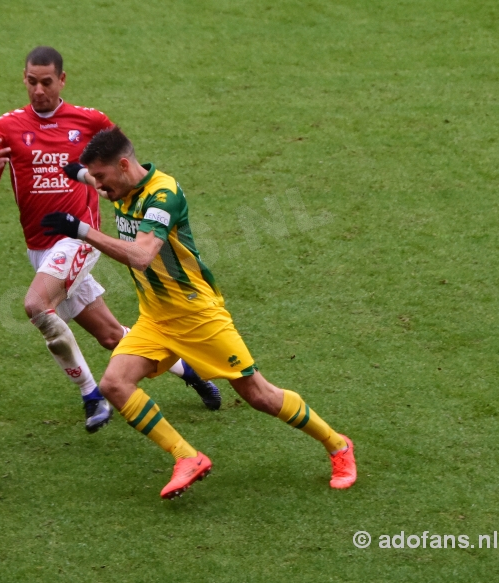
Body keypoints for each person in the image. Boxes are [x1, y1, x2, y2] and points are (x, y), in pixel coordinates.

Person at [41, 126, 357, 499]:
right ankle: (187, 457)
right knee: (114, 384)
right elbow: (98, 179)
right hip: (156, 318)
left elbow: (142, 257)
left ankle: (338, 445)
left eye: (101, 177)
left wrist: (80, 230)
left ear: (124, 166)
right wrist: (74, 171)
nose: (98, 186)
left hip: (197, 316)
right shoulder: (121, 184)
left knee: (258, 395)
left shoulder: (163, 195)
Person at [0, 47, 221, 432]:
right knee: (110, 335)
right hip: (39, 249)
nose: (38, 90)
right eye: (31, 81)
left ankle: (91, 396)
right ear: (24, 78)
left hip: (78, 239)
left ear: (62, 80)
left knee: (37, 306)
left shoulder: (90, 122)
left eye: (47, 82)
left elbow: (126, 171)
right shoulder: (6, 127)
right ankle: (191, 371)